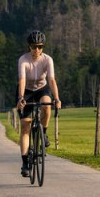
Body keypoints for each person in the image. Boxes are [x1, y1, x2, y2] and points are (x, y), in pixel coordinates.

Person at [16, 30, 61, 177]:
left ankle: (44, 133)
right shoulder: (23, 60)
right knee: (25, 126)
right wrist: (21, 98)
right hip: (27, 91)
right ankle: (24, 163)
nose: (37, 50)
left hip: (42, 89)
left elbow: (52, 80)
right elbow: (22, 80)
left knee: (46, 106)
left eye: (40, 47)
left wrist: (57, 98)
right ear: (29, 47)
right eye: (34, 47)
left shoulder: (48, 60)